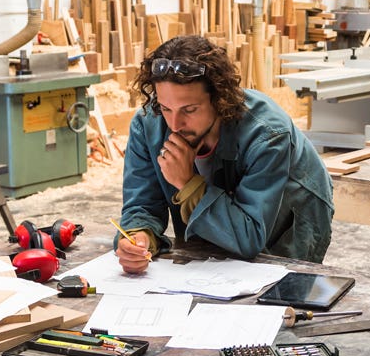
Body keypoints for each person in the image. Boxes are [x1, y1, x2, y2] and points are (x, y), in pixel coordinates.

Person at [114, 35, 334, 274]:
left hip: (291, 218)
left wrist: (187, 184)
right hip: (230, 223)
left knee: (273, 286)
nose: (175, 124)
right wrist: (138, 237)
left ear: (219, 99)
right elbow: (142, 206)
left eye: (189, 109)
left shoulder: (268, 135)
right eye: (166, 108)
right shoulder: (148, 124)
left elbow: (249, 237)